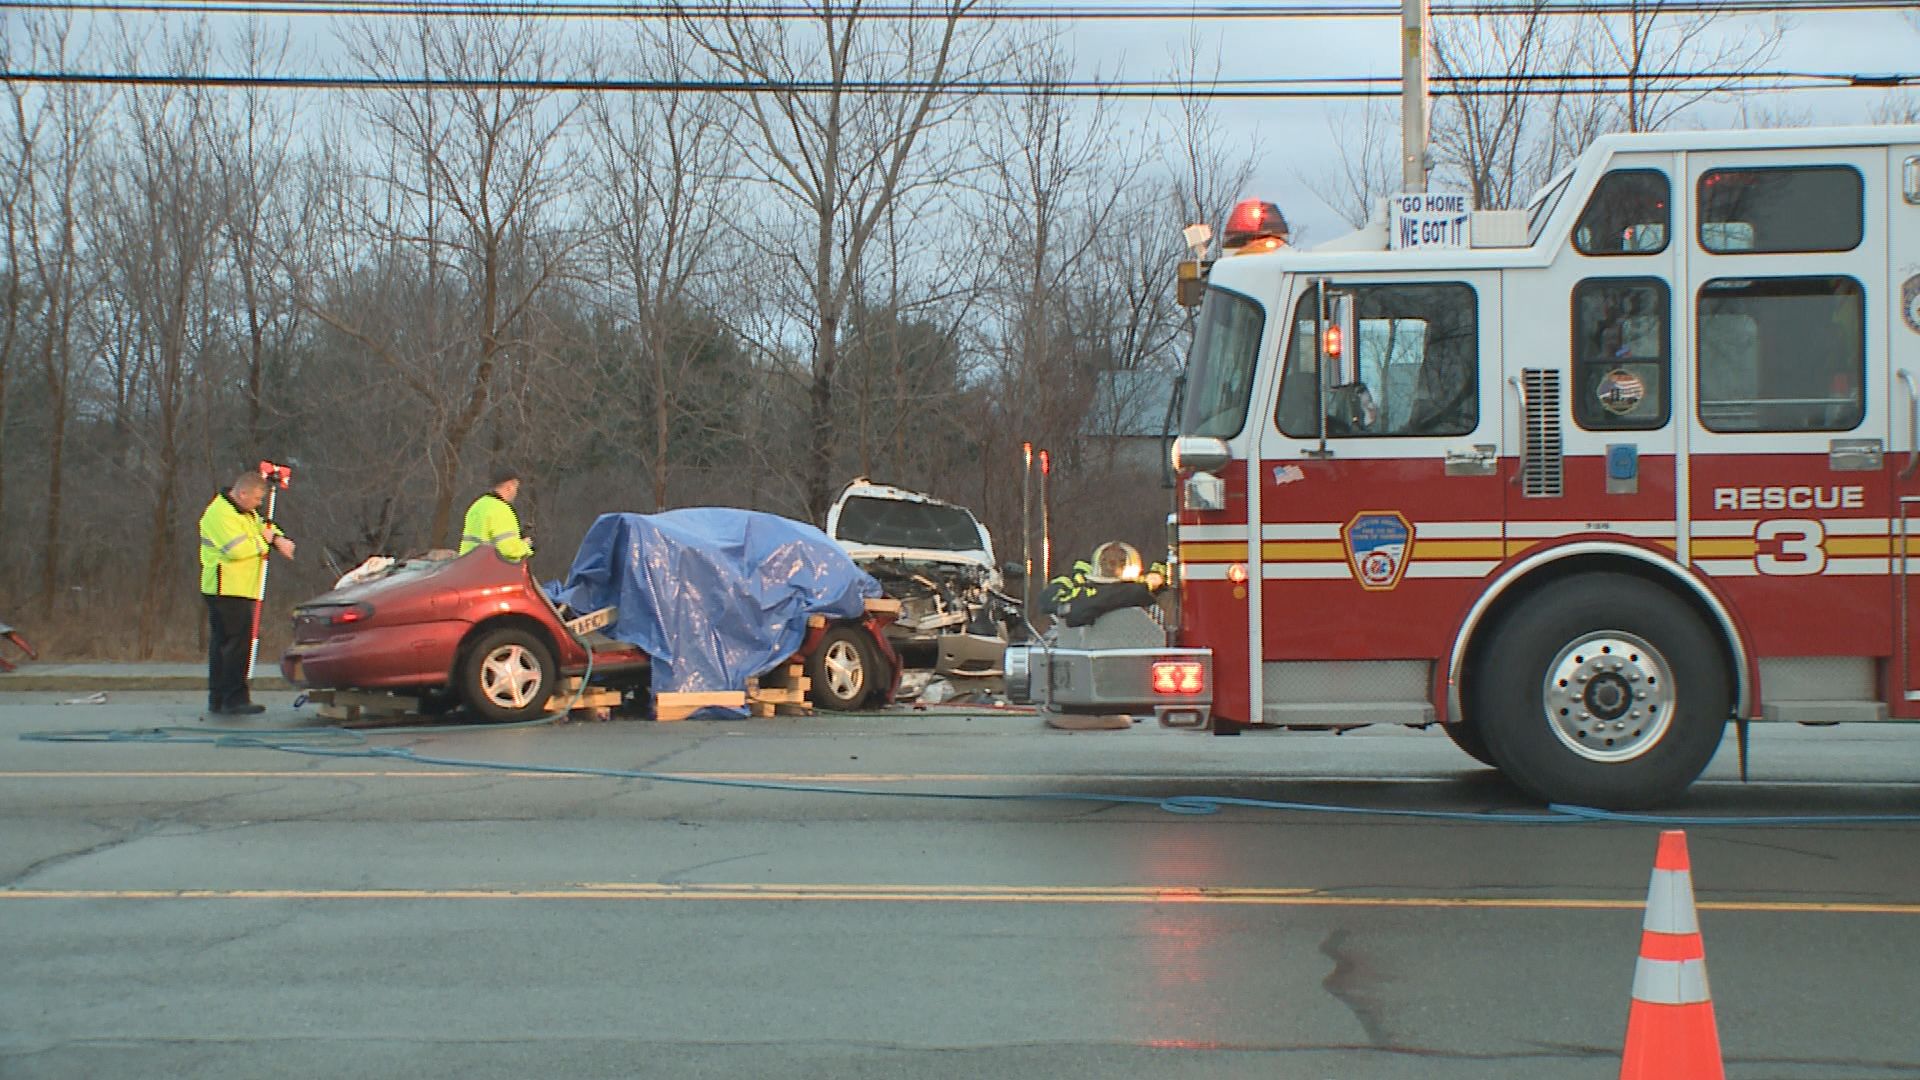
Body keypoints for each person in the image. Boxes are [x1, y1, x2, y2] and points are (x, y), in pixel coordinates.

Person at [199, 469, 295, 716]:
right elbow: (237, 549)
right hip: (226, 588)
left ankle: (221, 698)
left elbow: (264, 527)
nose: (258, 504)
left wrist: (277, 539)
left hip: (242, 588)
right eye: (256, 499)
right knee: (234, 646)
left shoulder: (246, 513)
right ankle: (233, 699)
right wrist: (266, 541)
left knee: (229, 644)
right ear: (242, 493)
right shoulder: (220, 514)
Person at [460, 466, 534, 561]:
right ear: (509, 487)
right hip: (491, 570)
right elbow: (509, 549)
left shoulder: (478, 505)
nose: (516, 492)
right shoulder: (500, 509)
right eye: (516, 487)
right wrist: (526, 545)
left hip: (468, 566)